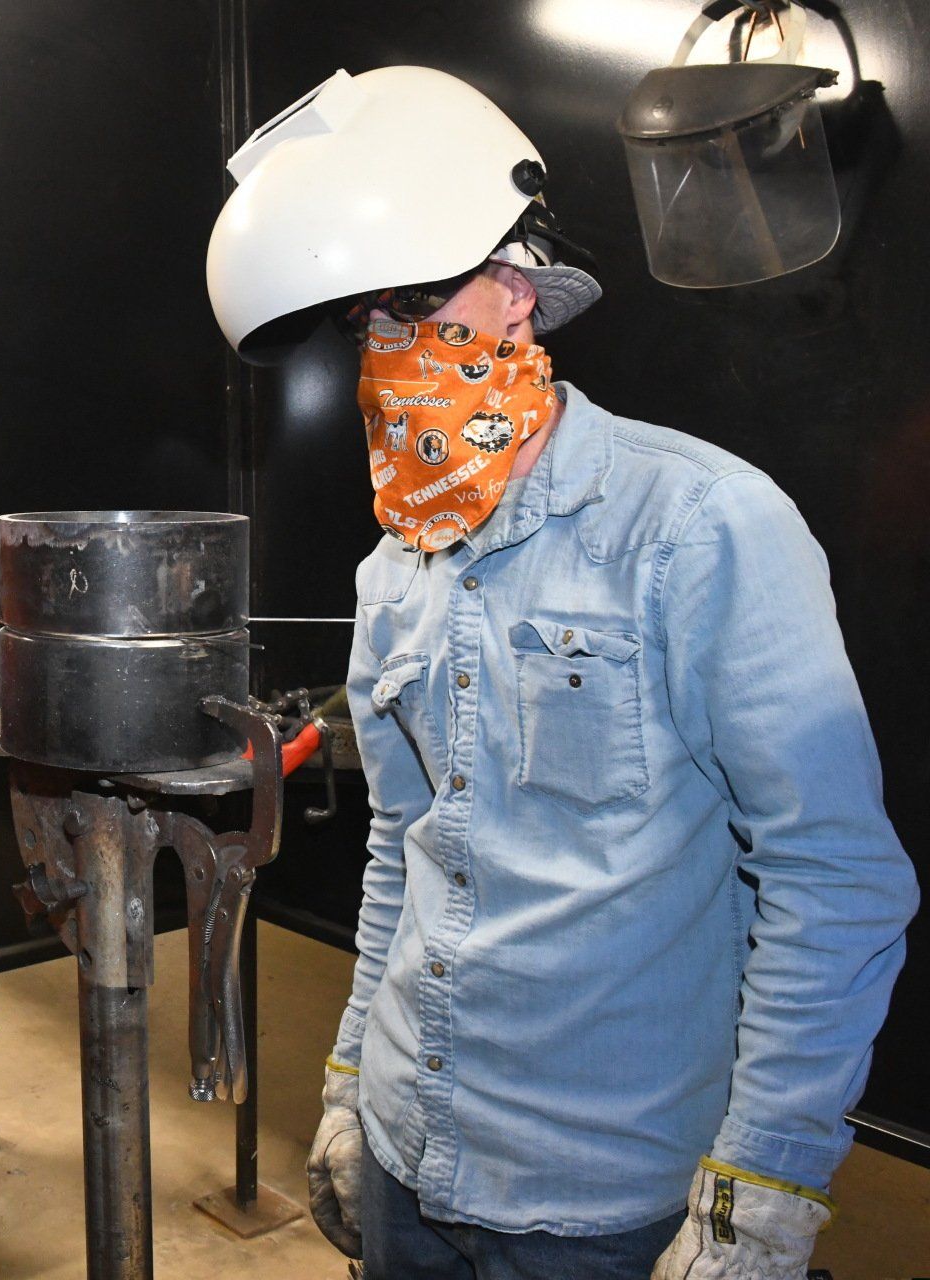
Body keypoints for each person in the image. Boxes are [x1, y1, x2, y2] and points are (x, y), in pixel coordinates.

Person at [206, 66, 918, 1279]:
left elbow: (835, 878)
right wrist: (344, 1085)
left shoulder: (704, 528)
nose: (391, 347)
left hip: (601, 1202)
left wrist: (762, 1195)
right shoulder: (395, 574)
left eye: (419, 302)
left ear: (518, 295)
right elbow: (404, 851)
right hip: (403, 1155)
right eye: (365, 322)